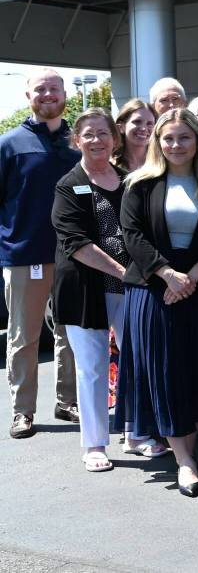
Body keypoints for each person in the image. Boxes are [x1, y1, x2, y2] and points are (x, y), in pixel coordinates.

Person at [116, 108, 198, 497]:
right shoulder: (139, 184)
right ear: (157, 142)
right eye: (168, 138)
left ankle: (188, 450)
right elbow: (132, 236)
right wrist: (167, 274)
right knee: (164, 373)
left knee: (195, 371)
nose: (176, 145)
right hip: (152, 290)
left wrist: (190, 278)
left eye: (184, 137)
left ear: (197, 141)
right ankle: (184, 460)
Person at [52, 109, 168, 471]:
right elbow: (76, 244)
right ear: (76, 141)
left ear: (114, 139)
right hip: (85, 290)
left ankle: (136, 433)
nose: (96, 140)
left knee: (136, 360)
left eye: (103, 133)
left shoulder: (128, 180)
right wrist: (124, 272)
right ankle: (94, 445)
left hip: (131, 288)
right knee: (93, 367)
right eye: (88, 134)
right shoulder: (69, 185)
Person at [1, 69, 80, 439]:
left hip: (75, 255)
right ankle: (23, 410)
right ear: (28, 95)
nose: (48, 94)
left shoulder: (78, 141)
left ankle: (68, 402)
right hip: (25, 257)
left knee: (72, 334)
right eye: (40, 89)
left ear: (64, 94)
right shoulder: (9, 144)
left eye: (54, 89)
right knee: (24, 337)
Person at [112, 99, 157, 172]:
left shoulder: (162, 163)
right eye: (137, 122)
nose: (144, 128)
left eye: (149, 124)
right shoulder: (110, 165)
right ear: (121, 127)